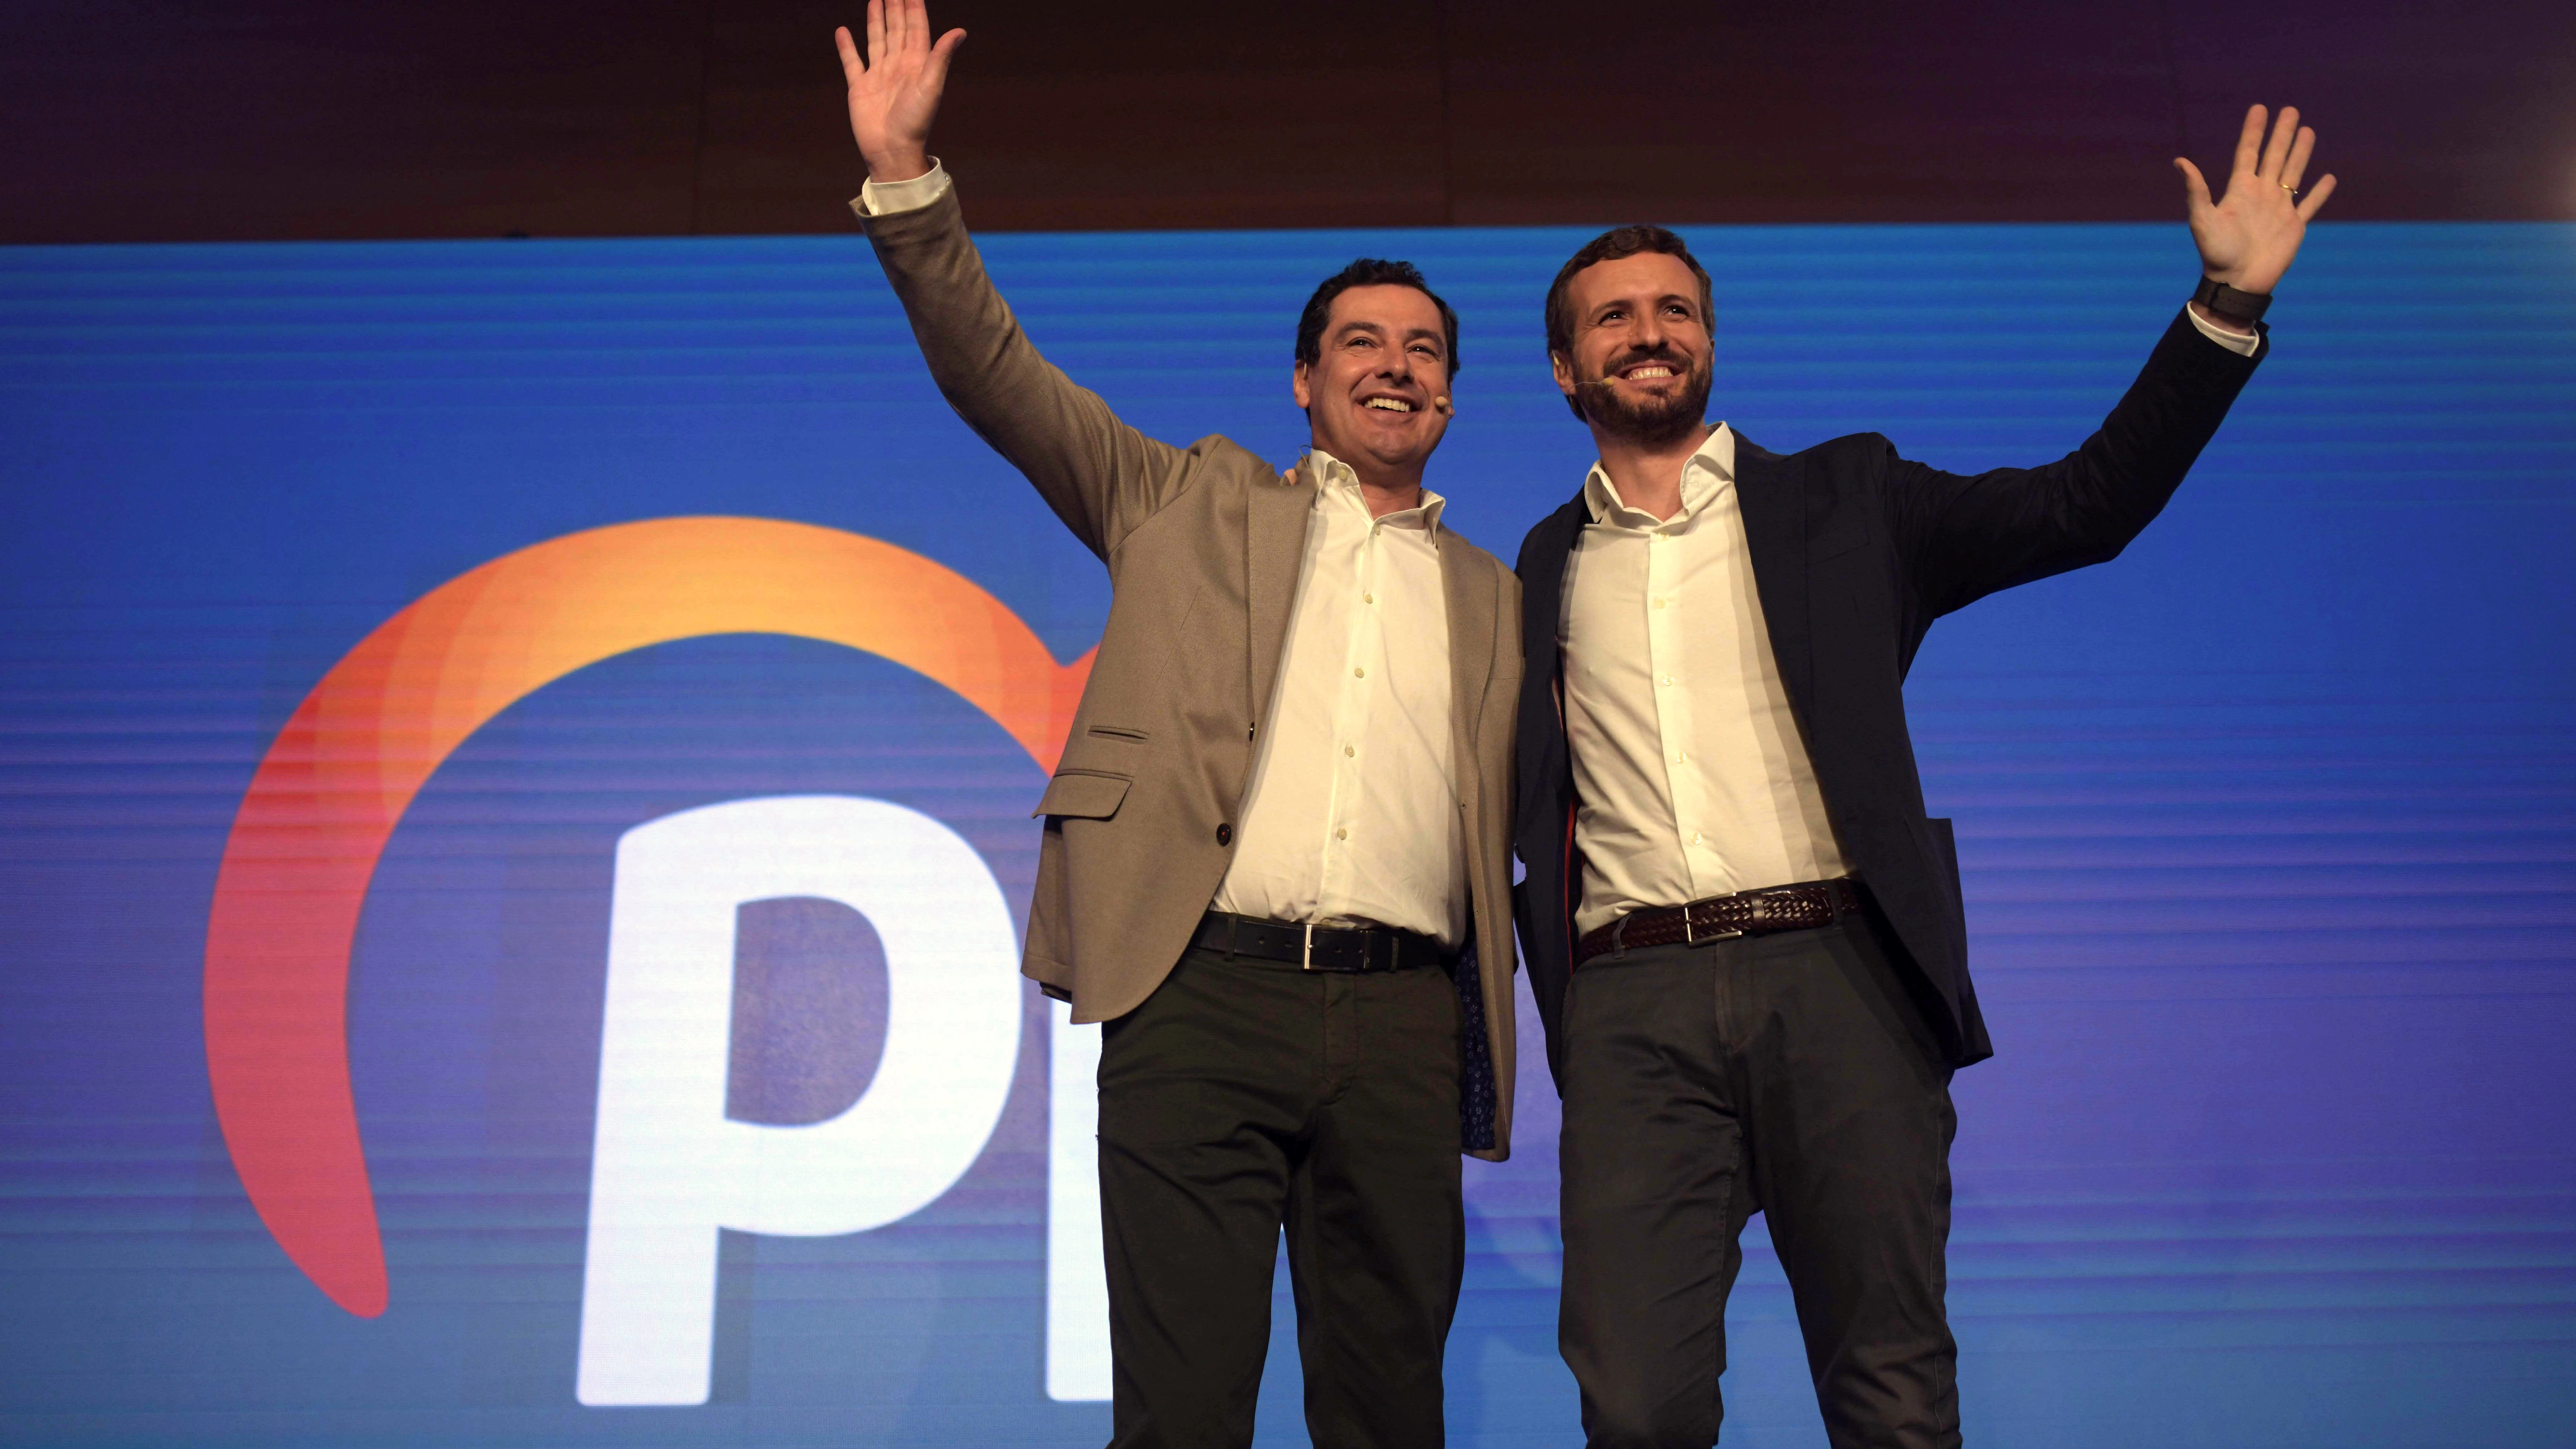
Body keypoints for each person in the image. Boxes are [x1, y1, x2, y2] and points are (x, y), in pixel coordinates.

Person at [1510, 106, 2336, 1448]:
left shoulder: (1852, 499)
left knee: (1891, 1394)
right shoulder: (1536, 573)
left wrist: (2225, 306)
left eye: (1673, 308)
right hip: (1634, 1007)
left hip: (1840, 978)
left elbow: (2088, 505)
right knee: (1635, 1406)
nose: (1647, 331)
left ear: (1710, 341)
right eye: (1613, 317)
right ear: (1564, 369)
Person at [835, 4, 1522, 1446]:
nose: (1394, 365)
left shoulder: (1503, 598)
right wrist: (907, 180)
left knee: (1391, 1413)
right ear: (1304, 379)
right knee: (1182, 1410)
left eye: (1423, 349)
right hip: (1200, 995)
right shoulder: (1179, 498)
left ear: (1452, 391)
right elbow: (1000, 378)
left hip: (1403, 1016)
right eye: (1360, 343)